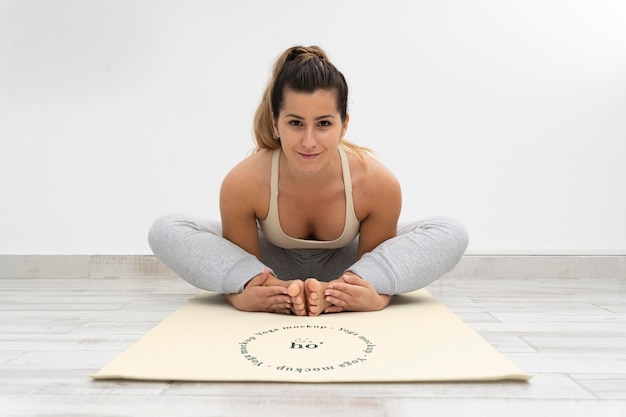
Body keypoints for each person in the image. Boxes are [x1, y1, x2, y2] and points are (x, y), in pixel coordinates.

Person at [148, 45, 468, 316]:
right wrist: (244, 289)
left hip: (343, 269)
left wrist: (374, 292)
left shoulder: (376, 183)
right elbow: (245, 261)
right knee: (166, 228)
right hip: (273, 267)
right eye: (296, 123)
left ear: (344, 125)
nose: (309, 141)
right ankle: (293, 292)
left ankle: (335, 292)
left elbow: (372, 261)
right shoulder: (244, 181)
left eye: (324, 123)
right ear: (276, 124)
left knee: (449, 230)